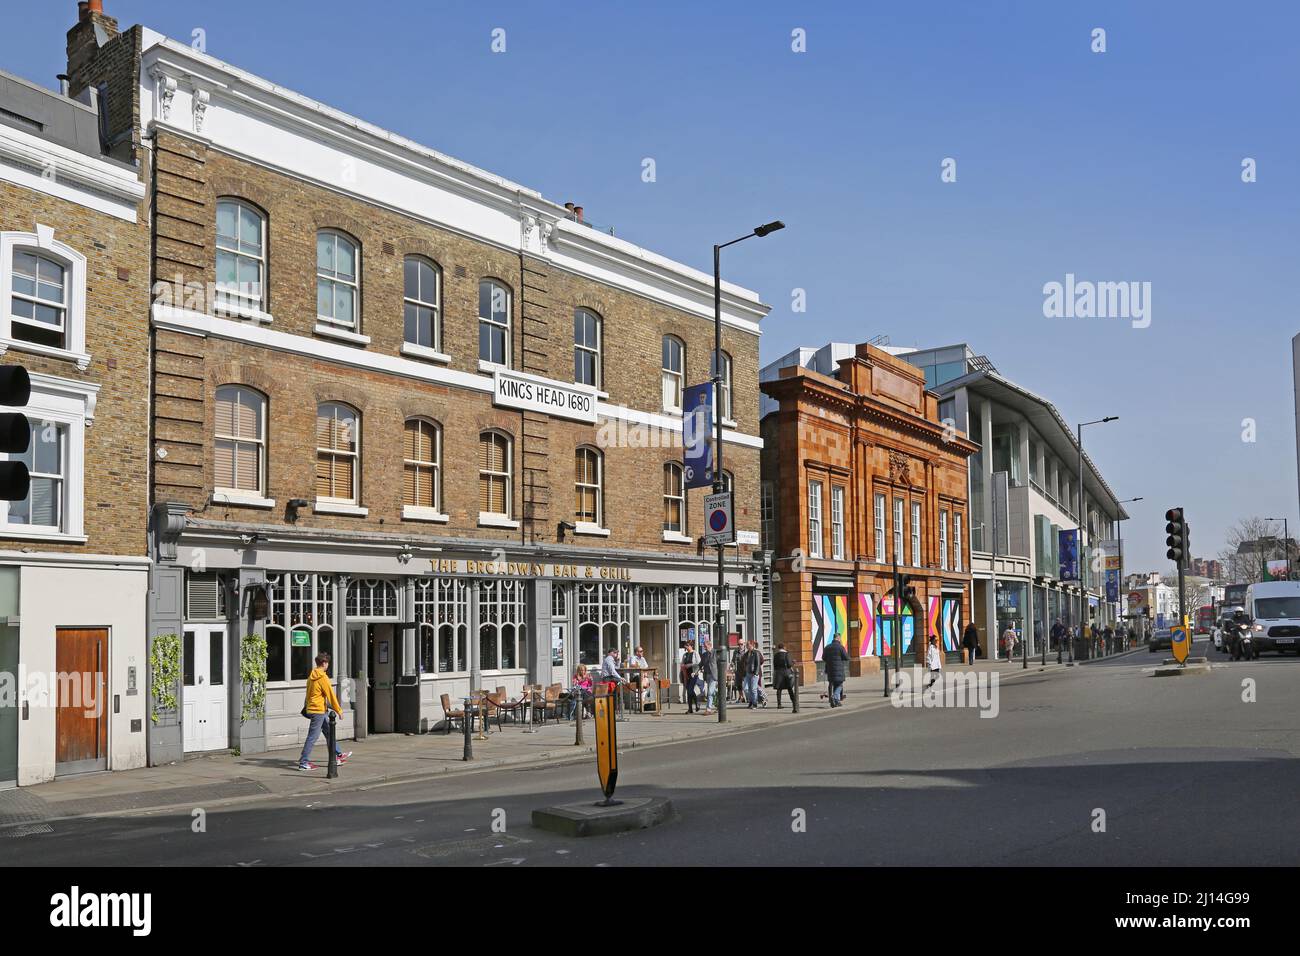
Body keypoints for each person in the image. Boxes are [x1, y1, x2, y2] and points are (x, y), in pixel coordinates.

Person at [298, 652, 350, 770]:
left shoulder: (312, 676)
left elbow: (310, 694)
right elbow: (331, 695)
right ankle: (303, 762)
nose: (328, 666)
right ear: (324, 663)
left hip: (313, 708)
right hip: (318, 711)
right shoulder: (322, 677)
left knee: (328, 733)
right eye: (327, 663)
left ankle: (337, 756)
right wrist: (339, 710)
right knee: (312, 737)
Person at [822, 634, 849, 707]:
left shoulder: (827, 647)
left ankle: (835, 701)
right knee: (839, 684)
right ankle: (834, 697)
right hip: (838, 669)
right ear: (838, 638)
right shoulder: (841, 647)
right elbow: (846, 657)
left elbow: (823, 658)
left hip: (830, 669)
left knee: (832, 683)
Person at [772, 643, 798, 710]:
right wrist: (793, 663)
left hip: (778, 673)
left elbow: (774, 665)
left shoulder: (776, 655)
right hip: (786, 673)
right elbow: (789, 664)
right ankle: (794, 702)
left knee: (779, 689)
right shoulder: (786, 654)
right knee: (789, 688)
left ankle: (779, 704)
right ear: (784, 647)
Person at [739, 639, 763, 709]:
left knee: (753, 689)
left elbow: (758, 663)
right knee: (746, 688)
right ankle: (751, 701)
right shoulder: (746, 654)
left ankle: (754, 703)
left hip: (753, 673)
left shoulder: (756, 653)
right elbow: (743, 663)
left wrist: (756, 673)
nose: (747, 646)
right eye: (746, 645)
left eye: (748, 645)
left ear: (752, 645)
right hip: (747, 673)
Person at [679, 640, 700, 713]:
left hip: (694, 673)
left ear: (691, 646)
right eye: (685, 645)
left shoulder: (695, 653)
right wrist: (683, 666)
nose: (686, 647)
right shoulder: (685, 654)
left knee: (690, 689)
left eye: (687, 645)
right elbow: (682, 663)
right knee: (689, 691)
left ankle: (697, 702)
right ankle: (690, 708)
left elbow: (699, 663)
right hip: (686, 674)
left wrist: (690, 665)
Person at [699, 639, 717, 714]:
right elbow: (700, 664)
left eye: (705, 646)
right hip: (707, 675)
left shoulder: (715, 653)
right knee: (713, 692)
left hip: (714, 675)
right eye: (704, 646)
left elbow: (721, 664)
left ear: (710, 645)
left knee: (709, 692)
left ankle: (708, 709)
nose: (704, 648)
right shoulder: (704, 655)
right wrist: (695, 671)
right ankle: (719, 704)